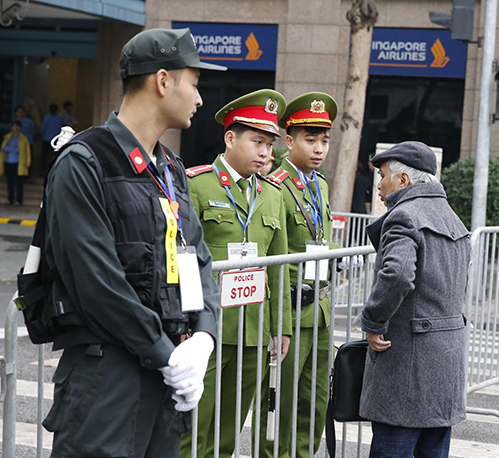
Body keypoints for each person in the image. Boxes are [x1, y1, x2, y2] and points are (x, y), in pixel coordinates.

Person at [41, 28, 226, 458]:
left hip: (165, 380)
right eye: (194, 83)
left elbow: (197, 256)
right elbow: (98, 283)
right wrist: (168, 355)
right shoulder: (84, 163)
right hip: (107, 380)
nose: (199, 99)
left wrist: (203, 337)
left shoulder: (171, 169)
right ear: (164, 81)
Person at [181, 89, 292, 458]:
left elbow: (279, 266)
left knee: (229, 429)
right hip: (207, 328)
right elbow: (182, 261)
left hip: (254, 330)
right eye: (257, 141)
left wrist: (282, 326)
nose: (266, 153)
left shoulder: (273, 193)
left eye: (270, 144)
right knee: (193, 426)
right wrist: (183, 323)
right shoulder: (197, 185)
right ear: (230, 138)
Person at [360, 141, 470, 458]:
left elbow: (396, 276)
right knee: (433, 449)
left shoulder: (404, 216)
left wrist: (372, 322)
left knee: (393, 445)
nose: (379, 185)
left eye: (383, 175)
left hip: (408, 358)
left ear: (404, 181)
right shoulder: (452, 218)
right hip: (445, 359)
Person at [258, 92, 338, 458]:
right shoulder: (274, 186)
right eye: (310, 139)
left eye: (323, 140)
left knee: (316, 400)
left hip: (320, 308)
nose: (319, 148)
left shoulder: (319, 185)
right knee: (280, 400)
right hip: (292, 307)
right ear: (288, 141)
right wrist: (280, 322)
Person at [1, 120, 31, 205]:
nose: (16, 128)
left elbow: (26, 151)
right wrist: (12, 149)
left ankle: (19, 199)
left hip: (19, 162)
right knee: (10, 182)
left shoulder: (23, 138)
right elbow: (3, 148)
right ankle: (10, 199)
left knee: (19, 182)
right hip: (9, 162)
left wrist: (27, 162)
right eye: (14, 126)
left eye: (17, 126)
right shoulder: (7, 137)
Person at [41, 103, 64, 174]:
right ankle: (52, 171)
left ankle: (42, 170)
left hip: (46, 139)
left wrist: (42, 136)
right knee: (53, 156)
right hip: (56, 140)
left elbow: (43, 129)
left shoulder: (46, 118)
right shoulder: (59, 119)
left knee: (44, 156)